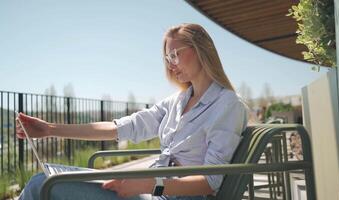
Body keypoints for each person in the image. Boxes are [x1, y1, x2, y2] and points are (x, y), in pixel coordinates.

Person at [16, 23, 248, 200]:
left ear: (201, 50)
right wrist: (50, 129)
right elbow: (121, 128)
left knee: (42, 184)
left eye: (176, 54)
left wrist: (149, 184)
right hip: (153, 190)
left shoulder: (227, 104)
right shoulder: (177, 102)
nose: (170, 63)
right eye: (168, 57)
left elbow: (211, 180)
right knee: (49, 179)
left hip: (167, 194)